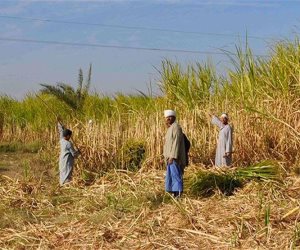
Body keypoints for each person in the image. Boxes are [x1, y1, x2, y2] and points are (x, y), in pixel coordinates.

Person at [163, 110, 187, 197]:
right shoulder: (170, 128)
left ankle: (179, 194)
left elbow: (176, 143)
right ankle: (174, 193)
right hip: (170, 158)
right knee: (172, 175)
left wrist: (172, 157)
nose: (168, 119)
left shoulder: (176, 127)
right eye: (167, 117)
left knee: (176, 175)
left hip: (175, 158)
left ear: (174, 118)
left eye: (170, 117)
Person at [57, 118, 80, 185]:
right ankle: (66, 185)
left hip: (62, 160)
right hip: (67, 161)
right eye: (69, 136)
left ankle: (62, 184)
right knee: (67, 173)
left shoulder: (61, 140)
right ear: (67, 136)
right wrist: (78, 152)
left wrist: (59, 124)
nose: (70, 137)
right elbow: (74, 154)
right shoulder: (68, 144)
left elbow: (61, 132)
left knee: (62, 172)